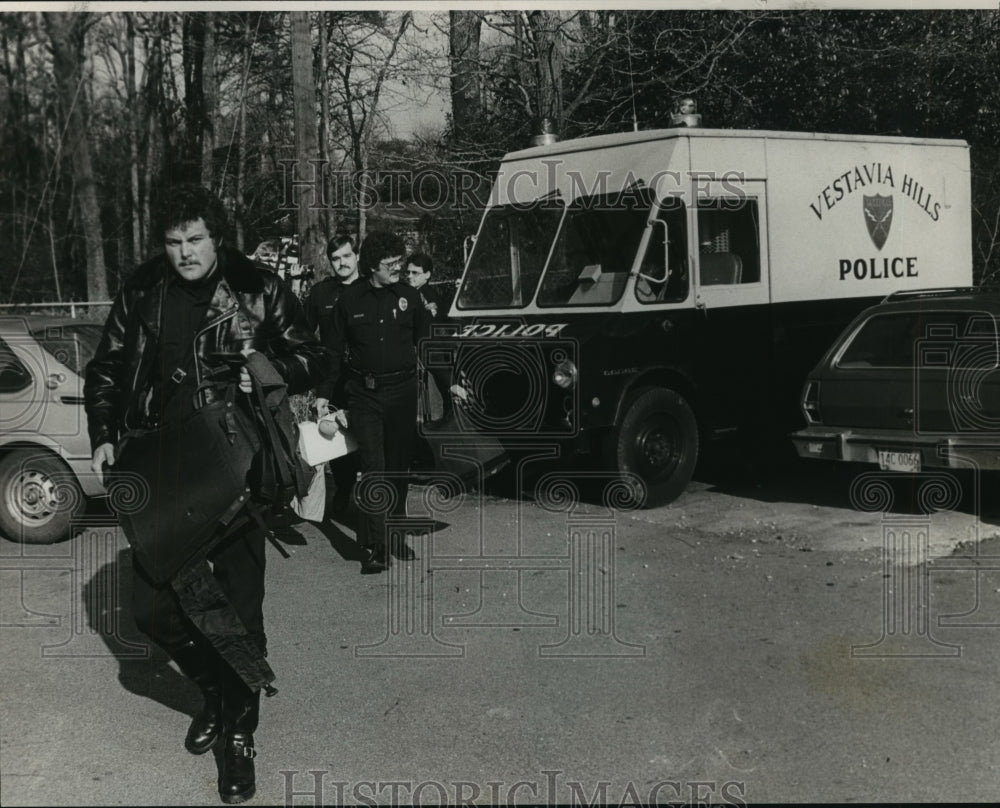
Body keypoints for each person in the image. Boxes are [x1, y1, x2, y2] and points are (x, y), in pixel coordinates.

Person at [84, 184, 329, 805]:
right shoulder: (144, 288)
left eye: (196, 239)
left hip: (238, 464)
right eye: (174, 242)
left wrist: (262, 365)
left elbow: (312, 359)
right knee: (153, 611)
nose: (185, 252)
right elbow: (108, 366)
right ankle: (217, 692)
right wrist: (106, 433)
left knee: (241, 612)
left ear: (217, 237)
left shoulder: (258, 287)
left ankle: (240, 736)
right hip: (164, 465)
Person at [316, 231, 462, 574]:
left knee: (397, 469)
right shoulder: (349, 300)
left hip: (402, 394)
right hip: (364, 395)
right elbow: (334, 353)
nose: (398, 268)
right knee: (373, 468)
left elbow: (427, 344)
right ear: (371, 267)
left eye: (400, 262)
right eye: (391, 264)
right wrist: (323, 393)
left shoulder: (410, 298)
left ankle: (394, 532)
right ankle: (375, 547)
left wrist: (450, 384)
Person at [305, 235, 361, 514]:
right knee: (337, 440)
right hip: (332, 380)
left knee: (368, 437)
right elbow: (302, 334)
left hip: (365, 378)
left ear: (357, 256)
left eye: (347, 256)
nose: (342, 263)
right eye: (336, 258)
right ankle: (344, 490)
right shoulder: (321, 294)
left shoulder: (371, 289)